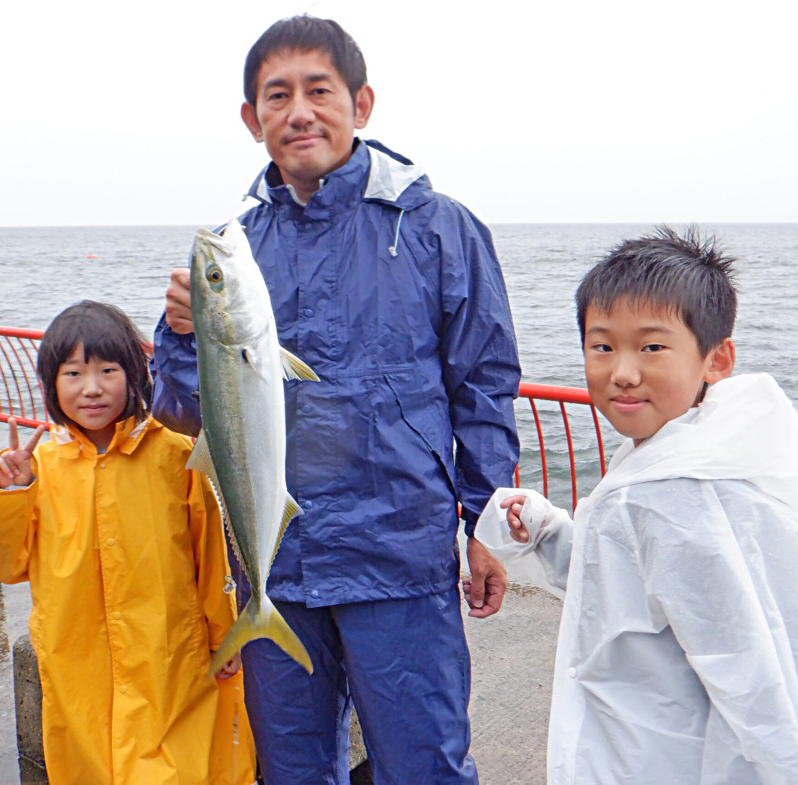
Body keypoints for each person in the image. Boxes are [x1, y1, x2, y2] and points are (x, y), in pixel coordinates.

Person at [149, 14, 520, 785]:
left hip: (399, 560)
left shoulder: (437, 227)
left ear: (362, 103)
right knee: (290, 770)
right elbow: (181, 412)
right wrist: (182, 337)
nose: (299, 112)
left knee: (423, 767)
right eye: (277, 96)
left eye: (319, 91)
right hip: (278, 567)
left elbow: (483, 385)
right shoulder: (233, 249)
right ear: (251, 118)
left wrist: (485, 524)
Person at [475, 226, 798, 784]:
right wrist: (548, 531)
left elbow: (756, 683)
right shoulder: (679, 455)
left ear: (716, 359)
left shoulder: (676, 495)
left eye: (652, 347)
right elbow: (627, 584)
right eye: (602, 346)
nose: (623, 373)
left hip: (657, 757)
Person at [0, 301, 257, 785]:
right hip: (76, 663)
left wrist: (223, 634)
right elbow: (8, 565)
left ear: (135, 375)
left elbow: (211, 555)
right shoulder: (38, 469)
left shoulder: (175, 452)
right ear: (50, 384)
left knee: (178, 767)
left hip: (167, 657)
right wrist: (10, 493)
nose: (91, 388)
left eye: (108, 370)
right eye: (73, 373)